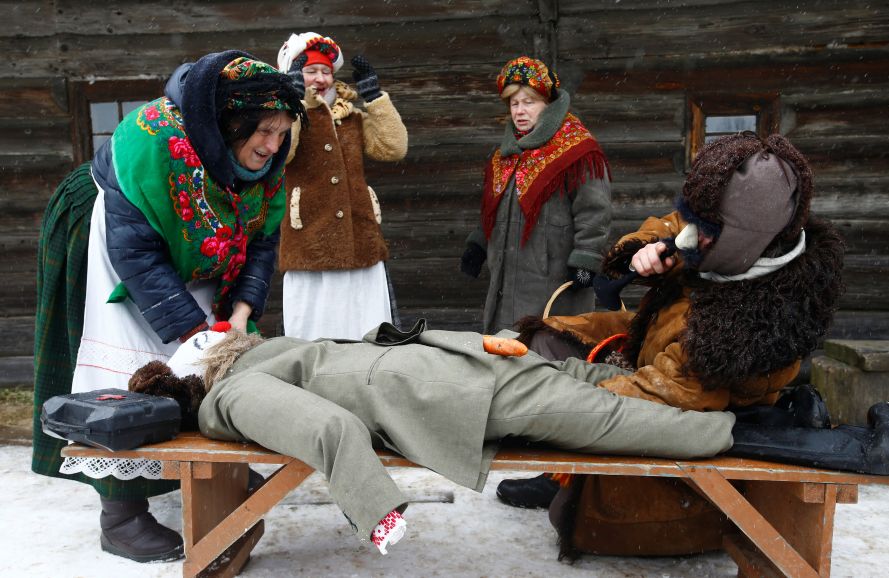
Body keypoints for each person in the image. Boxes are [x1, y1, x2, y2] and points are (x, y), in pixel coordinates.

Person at [495, 132, 852, 557]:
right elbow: (676, 224)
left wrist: (549, 398)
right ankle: (561, 470)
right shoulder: (739, 237)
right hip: (656, 351)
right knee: (545, 340)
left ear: (742, 239)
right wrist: (651, 249)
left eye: (703, 231)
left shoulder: (742, 330)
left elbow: (660, 396)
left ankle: (571, 479)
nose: (686, 235)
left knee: (572, 513)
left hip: (681, 456)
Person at [130, 322, 736, 556]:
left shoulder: (230, 397)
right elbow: (355, 349)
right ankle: (743, 393)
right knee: (605, 383)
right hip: (456, 354)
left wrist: (378, 514)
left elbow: (327, 428)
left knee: (610, 423)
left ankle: (741, 428)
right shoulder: (274, 350)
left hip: (445, 390)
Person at [31, 50, 303, 563]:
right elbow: (134, 252)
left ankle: (210, 460)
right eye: (262, 131)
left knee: (212, 351)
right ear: (229, 123)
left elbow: (263, 239)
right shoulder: (150, 145)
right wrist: (190, 332)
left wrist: (242, 312)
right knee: (132, 361)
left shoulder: (268, 156)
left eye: (282, 130)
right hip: (110, 236)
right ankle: (121, 513)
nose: (272, 144)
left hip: (193, 244)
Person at [461, 56, 612, 334]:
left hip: (551, 279)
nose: (520, 111)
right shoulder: (505, 154)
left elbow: (595, 210)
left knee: (548, 352)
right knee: (504, 351)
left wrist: (587, 259)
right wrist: (479, 244)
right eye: (514, 103)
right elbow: (493, 208)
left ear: (547, 103)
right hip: (505, 281)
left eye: (528, 102)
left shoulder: (576, 150)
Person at [275, 32, 408, 340]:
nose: (320, 78)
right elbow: (283, 154)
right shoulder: (282, 118)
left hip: (361, 237)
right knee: (316, 333)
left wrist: (374, 98)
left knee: (367, 329)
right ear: (294, 75)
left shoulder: (351, 117)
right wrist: (292, 105)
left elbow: (393, 147)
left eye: (325, 71)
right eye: (310, 71)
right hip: (310, 241)